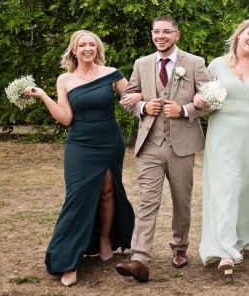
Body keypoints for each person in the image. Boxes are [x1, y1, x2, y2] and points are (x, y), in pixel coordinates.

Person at [25, 30, 137, 287]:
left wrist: (139, 98)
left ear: (97, 49)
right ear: (74, 50)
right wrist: (43, 96)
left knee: (109, 192)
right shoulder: (64, 79)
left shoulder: (113, 73)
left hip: (110, 140)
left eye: (91, 44)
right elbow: (66, 118)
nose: (87, 48)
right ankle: (68, 261)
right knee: (77, 197)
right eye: (82, 45)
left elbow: (132, 98)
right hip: (80, 144)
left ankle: (106, 240)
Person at [115, 16, 211, 283]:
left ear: (177, 35)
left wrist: (185, 110)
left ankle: (180, 248)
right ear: (152, 34)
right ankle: (140, 259)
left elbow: (212, 101)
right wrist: (144, 107)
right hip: (149, 145)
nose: (161, 36)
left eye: (167, 32)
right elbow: (129, 98)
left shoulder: (194, 63)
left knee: (181, 201)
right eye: (156, 31)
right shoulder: (141, 64)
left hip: (181, 145)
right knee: (147, 202)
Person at [193, 19, 249, 275]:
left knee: (248, 188)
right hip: (223, 132)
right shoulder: (217, 65)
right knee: (225, 186)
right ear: (238, 35)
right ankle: (226, 249)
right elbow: (203, 97)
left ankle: (243, 239)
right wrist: (199, 100)